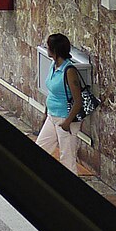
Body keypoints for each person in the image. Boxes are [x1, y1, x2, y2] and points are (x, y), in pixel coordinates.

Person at [37, 33, 85, 173]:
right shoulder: (53, 65)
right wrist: (47, 113)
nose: (47, 48)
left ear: (55, 50)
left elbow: (78, 102)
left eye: (49, 46)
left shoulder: (69, 71)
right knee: (40, 148)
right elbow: (52, 91)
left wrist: (67, 123)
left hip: (65, 120)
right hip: (52, 117)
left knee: (67, 159)